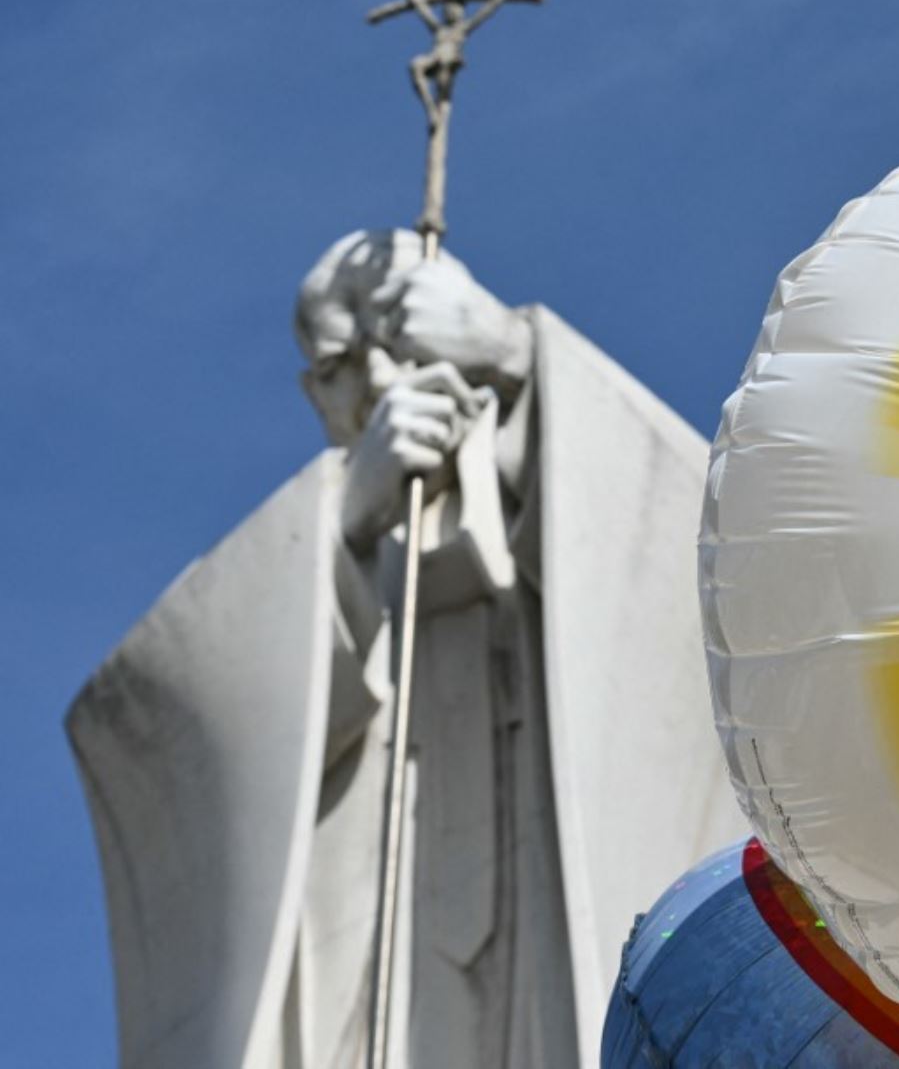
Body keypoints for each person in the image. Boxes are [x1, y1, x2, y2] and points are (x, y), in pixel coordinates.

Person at [67, 230, 743, 1069]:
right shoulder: (297, 563)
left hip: (554, 954)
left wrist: (513, 353)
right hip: (354, 961)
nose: (385, 378)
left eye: (399, 336)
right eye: (346, 362)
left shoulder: (567, 479)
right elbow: (141, 722)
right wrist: (344, 527)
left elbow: (722, 588)